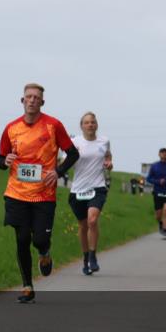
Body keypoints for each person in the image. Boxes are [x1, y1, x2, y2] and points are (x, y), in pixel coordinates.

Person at [0, 83, 79, 303]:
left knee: (40, 239)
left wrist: (58, 171)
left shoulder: (53, 126)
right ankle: (27, 286)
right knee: (22, 238)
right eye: (28, 97)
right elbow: (0, 159)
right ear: (22, 101)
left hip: (44, 194)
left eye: (36, 98)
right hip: (16, 193)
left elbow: (72, 154)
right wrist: (5, 161)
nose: (32, 100)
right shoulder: (11, 128)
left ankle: (45, 253)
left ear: (42, 102)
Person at [66, 112, 112, 275]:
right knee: (83, 225)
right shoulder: (74, 142)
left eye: (93, 122)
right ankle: (85, 258)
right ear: (81, 126)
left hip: (97, 187)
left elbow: (107, 156)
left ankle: (93, 256)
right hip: (78, 189)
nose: (90, 125)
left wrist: (108, 163)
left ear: (96, 125)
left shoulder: (104, 141)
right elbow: (65, 161)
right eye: (86, 122)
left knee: (92, 220)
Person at [146, 148, 166, 239]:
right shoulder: (154, 166)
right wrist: (158, 181)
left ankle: (165, 231)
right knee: (158, 215)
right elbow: (148, 179)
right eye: (162, 153)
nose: (164, 154)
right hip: (158, 192)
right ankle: (160, 223)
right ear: (159, 154)